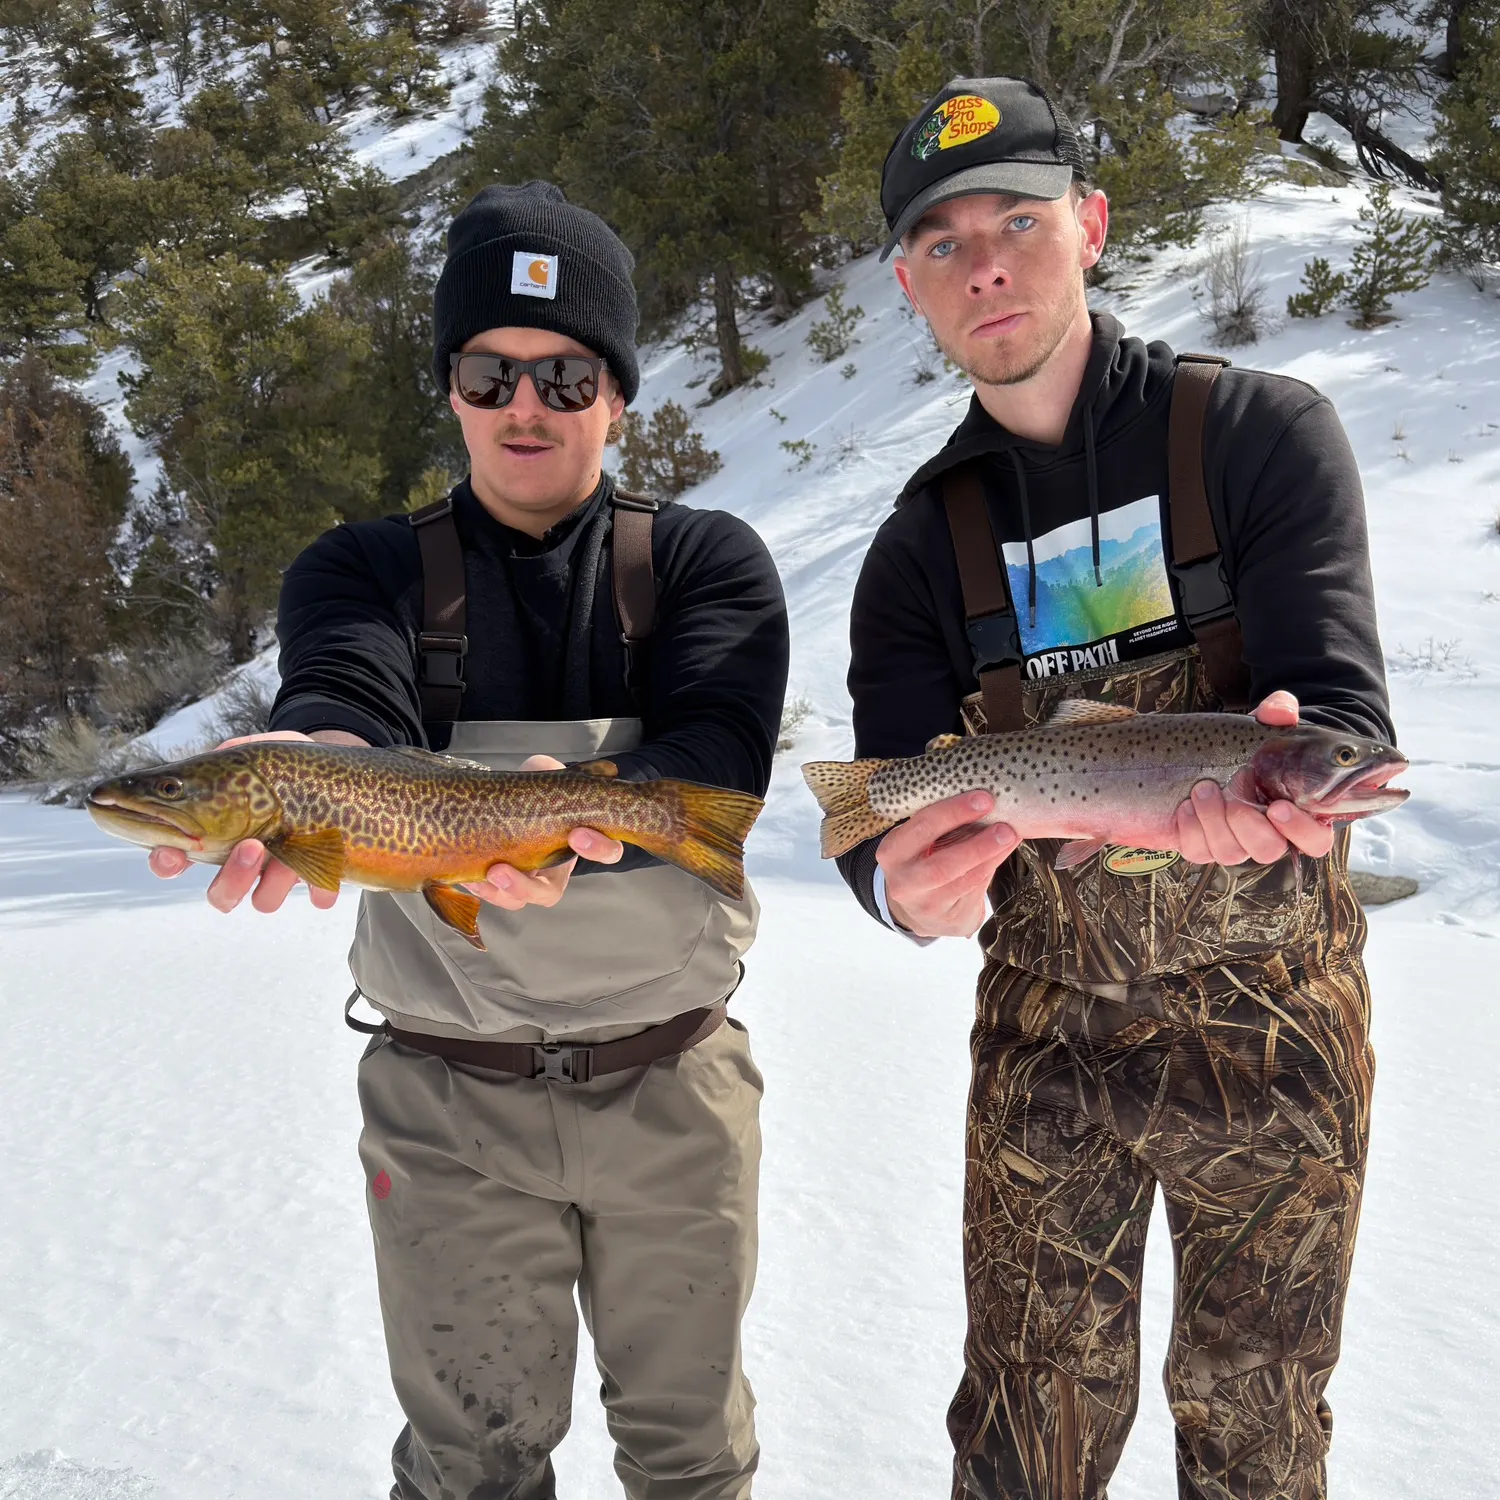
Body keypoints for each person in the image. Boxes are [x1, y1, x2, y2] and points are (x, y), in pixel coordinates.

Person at [151, 181, 788, 1500]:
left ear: (617, 395)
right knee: (467, 1469)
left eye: (565, 376)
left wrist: (593, 809)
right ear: (451, 388)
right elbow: (343, 691)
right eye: (491, 372)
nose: (525, 406)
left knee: (694, 1459)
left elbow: (718, 758)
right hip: (445, 1106)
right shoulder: (366, 569)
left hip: (672, 1088)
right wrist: (317, 767)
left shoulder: (706, 563)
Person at [836, 77, 1392, 1500]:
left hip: (1276, 1037)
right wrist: (898, 886)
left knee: (1258, 1440)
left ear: (1089, 224)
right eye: (945, 244)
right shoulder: (914, 551)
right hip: (1048, 1050)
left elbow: (1339, 707)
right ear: (911, 285)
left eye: (1018, 220)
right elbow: (891, 807)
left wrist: (1296, 751)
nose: (990, 265)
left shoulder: (1261, 431)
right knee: (1024, 1451)